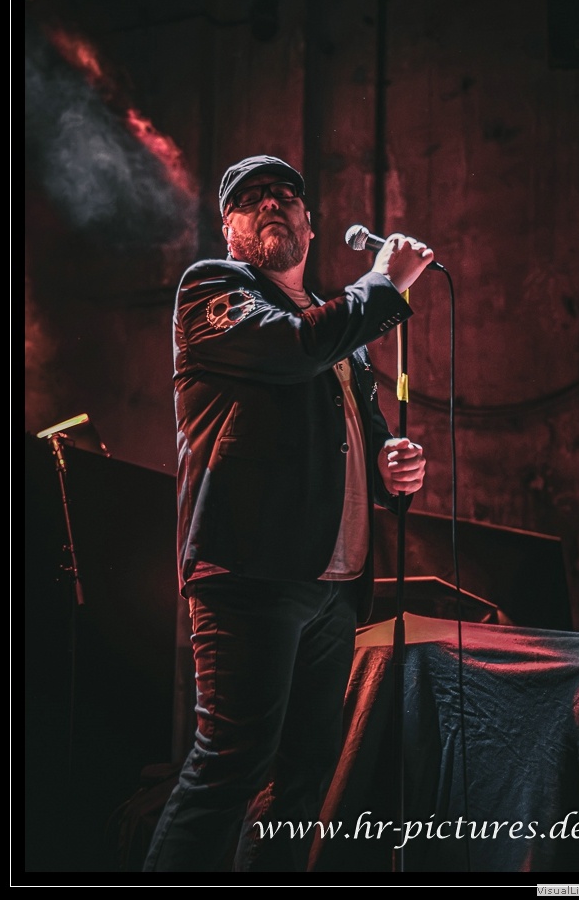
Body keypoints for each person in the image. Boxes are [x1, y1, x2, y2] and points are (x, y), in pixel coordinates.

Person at [143, 154, 433, 873]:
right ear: (229, 229)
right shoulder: (213, 289)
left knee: (303, 778)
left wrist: (391, 465)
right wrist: (382, 283)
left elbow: (361, 435)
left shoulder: (340, 331)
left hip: (334, 583)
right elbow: (294, 348)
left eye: (285, 195)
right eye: (251, 199)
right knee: (229, 765)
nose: (271, 202)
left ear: (311, 224)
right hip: (250, 571)